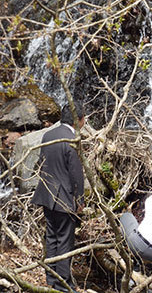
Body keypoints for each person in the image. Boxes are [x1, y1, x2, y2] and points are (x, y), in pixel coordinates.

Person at [31, 102, 85, 293]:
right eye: (83, 119)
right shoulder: (72, 139)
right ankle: (64, 284)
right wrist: (80, 200)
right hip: (64, 198)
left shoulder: (48, 135)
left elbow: (41, 164)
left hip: (46, 194)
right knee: (64, 240)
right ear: (78, 120)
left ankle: (50, 277)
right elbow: (76, 174)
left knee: (51, 237)